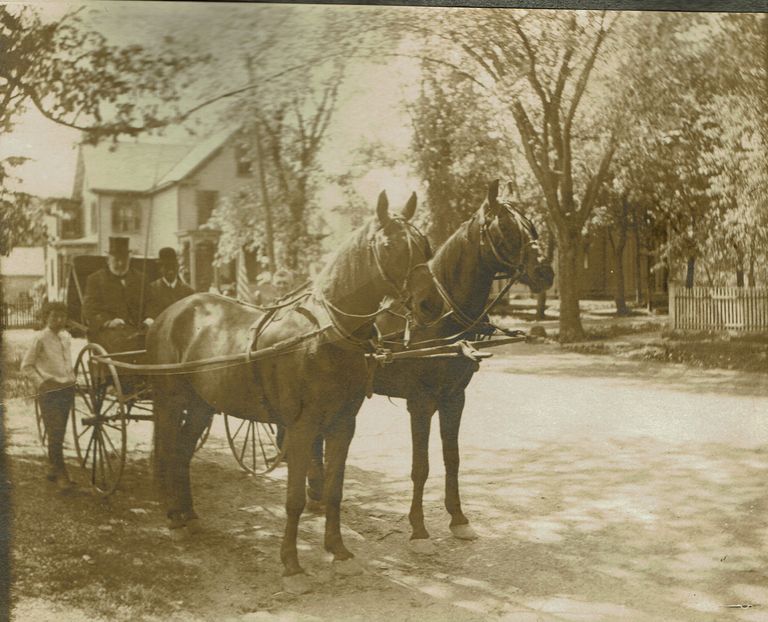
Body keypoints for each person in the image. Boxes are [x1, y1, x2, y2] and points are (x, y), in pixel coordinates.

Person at [22, 301, 76, 490]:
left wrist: (71, 378)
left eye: (62, 317)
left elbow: (67, 362)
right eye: (54, 317)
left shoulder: (66, 337)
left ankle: (53, 467)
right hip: (49, 390)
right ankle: (62, 474)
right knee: (55, 432)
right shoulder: (40, 338)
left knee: (60, 430)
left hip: (67, 389)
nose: (59, 320)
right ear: (46, 317)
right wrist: (42, 383)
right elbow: (26, 366)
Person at [82, 237, 145, 353]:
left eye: (124, 260)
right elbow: (89, 309)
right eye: (116, 260)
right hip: (109, 332)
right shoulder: (95, 279)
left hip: (139, 329)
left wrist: (150, 318)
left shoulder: (140, 278)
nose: (120, 264)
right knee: (123, 344)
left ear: (129, 260)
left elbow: (151, 302)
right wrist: (109, 322)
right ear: (108, 260)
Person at [143, 247, 195, 324]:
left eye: (173, 266)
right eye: (167, 266)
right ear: (160, 268)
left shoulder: (188, 291)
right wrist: (149, 320)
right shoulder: (151, 289)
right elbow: (149, 313)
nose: (170, 271)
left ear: (177, 267)